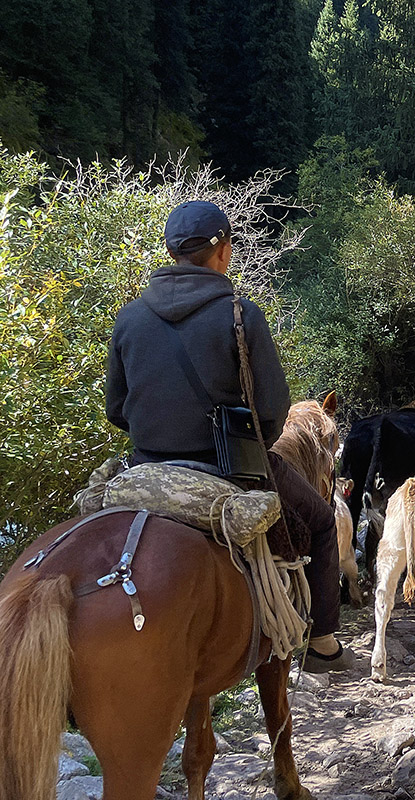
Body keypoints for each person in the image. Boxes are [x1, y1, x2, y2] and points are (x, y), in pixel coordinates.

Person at [106, 200, 353, 672]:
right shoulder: (242, 314)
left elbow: (116, 409)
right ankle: (322, 641)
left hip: (146, 466)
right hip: (229, 465)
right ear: (222, 250)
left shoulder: (129, 317)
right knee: (321, 523)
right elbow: (273, 410)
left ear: (172, 251)